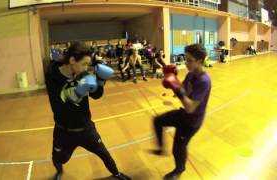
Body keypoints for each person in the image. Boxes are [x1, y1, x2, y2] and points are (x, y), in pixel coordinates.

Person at [45, 42, 131, 180]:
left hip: (85, 129)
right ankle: (59, 172)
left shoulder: (83, 74)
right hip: (63, 131)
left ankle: (116, 174)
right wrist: (78, 94)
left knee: (104, 153)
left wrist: (101, 81)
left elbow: (96, 95)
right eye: (84, 64)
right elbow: (58, 108)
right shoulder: (52, 75)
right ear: (72, 60)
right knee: (58, 158)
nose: (86, 68)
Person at [150, 44, 211, 180]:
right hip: (183, 114)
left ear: (199, 61)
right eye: (185, 59)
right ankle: (161, 149)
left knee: (178, 148)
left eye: (190, 60)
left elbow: (190, 107)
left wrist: (176, 87)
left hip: (192, 122)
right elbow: (183, 90)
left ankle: (179, 169)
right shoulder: (190, 74)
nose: (186, 63)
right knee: (157, 120)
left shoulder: (204, 81)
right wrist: (172, 78)